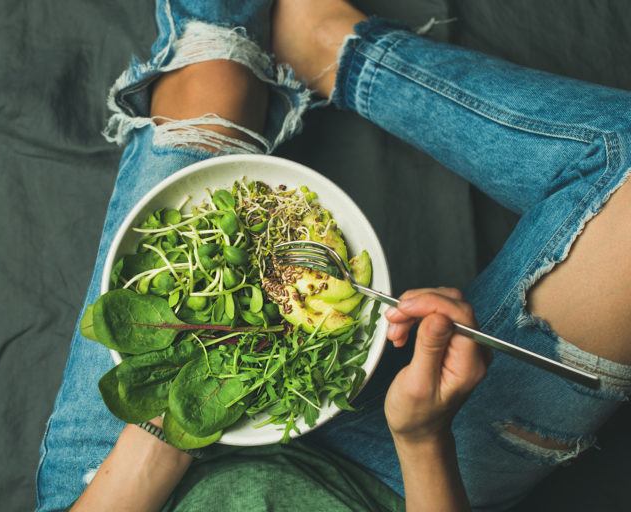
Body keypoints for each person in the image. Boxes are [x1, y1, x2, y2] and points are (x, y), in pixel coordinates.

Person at [36, 1, 631, 510]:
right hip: (389, 480)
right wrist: (423, 437)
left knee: (213, 77)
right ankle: (343, 54)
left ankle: (298, 49)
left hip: (132, 483)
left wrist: (157, 438)